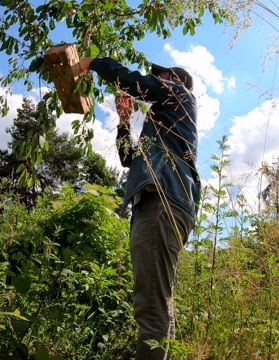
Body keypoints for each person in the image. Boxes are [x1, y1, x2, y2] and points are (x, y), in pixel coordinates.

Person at [79, 57, 201, 360]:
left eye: (160, 76)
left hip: (162, 202)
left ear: (177, 80)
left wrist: (93, 62)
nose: (154, 78)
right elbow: (127, 159)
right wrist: (124, 121)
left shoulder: (181, 94)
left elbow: (138, 84)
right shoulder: (163, 125)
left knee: (151, 307)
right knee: (159, 304)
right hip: (162, 203)